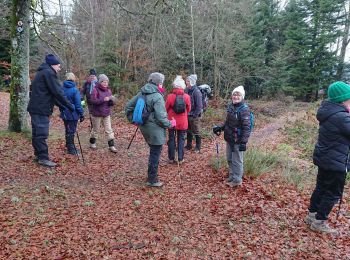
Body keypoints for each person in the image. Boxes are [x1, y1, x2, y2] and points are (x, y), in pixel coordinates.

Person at [305, 81, 350, 235]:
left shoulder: (329, 112)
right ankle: (319, 222)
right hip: (336, 162)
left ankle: (312, 216)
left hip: (325, 158)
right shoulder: (342, 117)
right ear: (342, 99)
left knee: (321, 187)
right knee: (333, 193)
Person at [125, 72, 176, 187]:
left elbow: (128, 106)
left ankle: (151, 176)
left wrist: (134, 120)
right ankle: (152, 180)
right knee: (155, 153)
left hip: (144, 127)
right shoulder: (157, 96)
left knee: (154, 151)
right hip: (154, 129)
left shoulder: (142, 92)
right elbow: (161, 118)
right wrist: (170, 124)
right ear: (159, 83)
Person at [27, 54, 74, 167]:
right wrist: (69, 105)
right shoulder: (49, 73)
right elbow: (57, 92)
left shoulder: (43, 72)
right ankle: (43, 158)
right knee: (41, 133)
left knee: (37, 133)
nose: (59, 68)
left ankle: (39, 156)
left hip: (37, 108)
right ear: (53, 65)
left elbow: (50, 94)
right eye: (58, 65)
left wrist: (62, 106)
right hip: (40, 109)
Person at [212, 86, 251, 187]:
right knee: (229, 158)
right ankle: (232, 176)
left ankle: (237, 180)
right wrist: (220, 128)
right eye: (234, 94)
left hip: (238, 140)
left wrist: (243, 142)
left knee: (237, 161)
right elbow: (228, 123)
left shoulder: (244, 110)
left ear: (242, 97)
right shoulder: (231, 107)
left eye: (238, 95)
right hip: (229, 138)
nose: (235, 96)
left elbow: (247, 127)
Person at [165, 75, 191, 164]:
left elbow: (166, 108)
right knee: (181, 139)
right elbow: (189, 109)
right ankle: (180, 159)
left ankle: (171, 158)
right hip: (183, 121)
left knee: (171, 139)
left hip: (172, 121)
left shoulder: (170, 96)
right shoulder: (187, 97)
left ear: (174, 85)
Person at [89, 74, 117, 153]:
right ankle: (92, 143)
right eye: (104, 82)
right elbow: (93, 101)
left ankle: (111, 146)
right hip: (96, 113)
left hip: (106, 113)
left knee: (109, 130)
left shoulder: (108, 90)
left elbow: (110, 103)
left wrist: (112, 101)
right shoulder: (95, 89)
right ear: (100, 82)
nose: (105, 83)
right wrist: (103, 99)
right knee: (96, 130)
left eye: (106, 82)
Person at [59, 72, 84, 155]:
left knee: (67, 129)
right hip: (73, 114)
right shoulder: (74, 90)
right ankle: (71, 149)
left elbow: (59, 101)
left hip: (64, 113)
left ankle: (69, 146)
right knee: (71, 131)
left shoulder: (62, 89)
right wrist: (81, 114)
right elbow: (78, 104)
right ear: (73, 79)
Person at [185, 74, 203, 153]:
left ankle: (198, 147)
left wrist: (195, 115)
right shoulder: (186, 90)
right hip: (187, 114)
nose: (186, 82)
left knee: (196, 131)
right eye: (187, 81)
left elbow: (199, 106)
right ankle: (189, 145)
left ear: (192, 82)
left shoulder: (197, 92)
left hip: (194, 115)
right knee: (188, 130)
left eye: (188, 81)